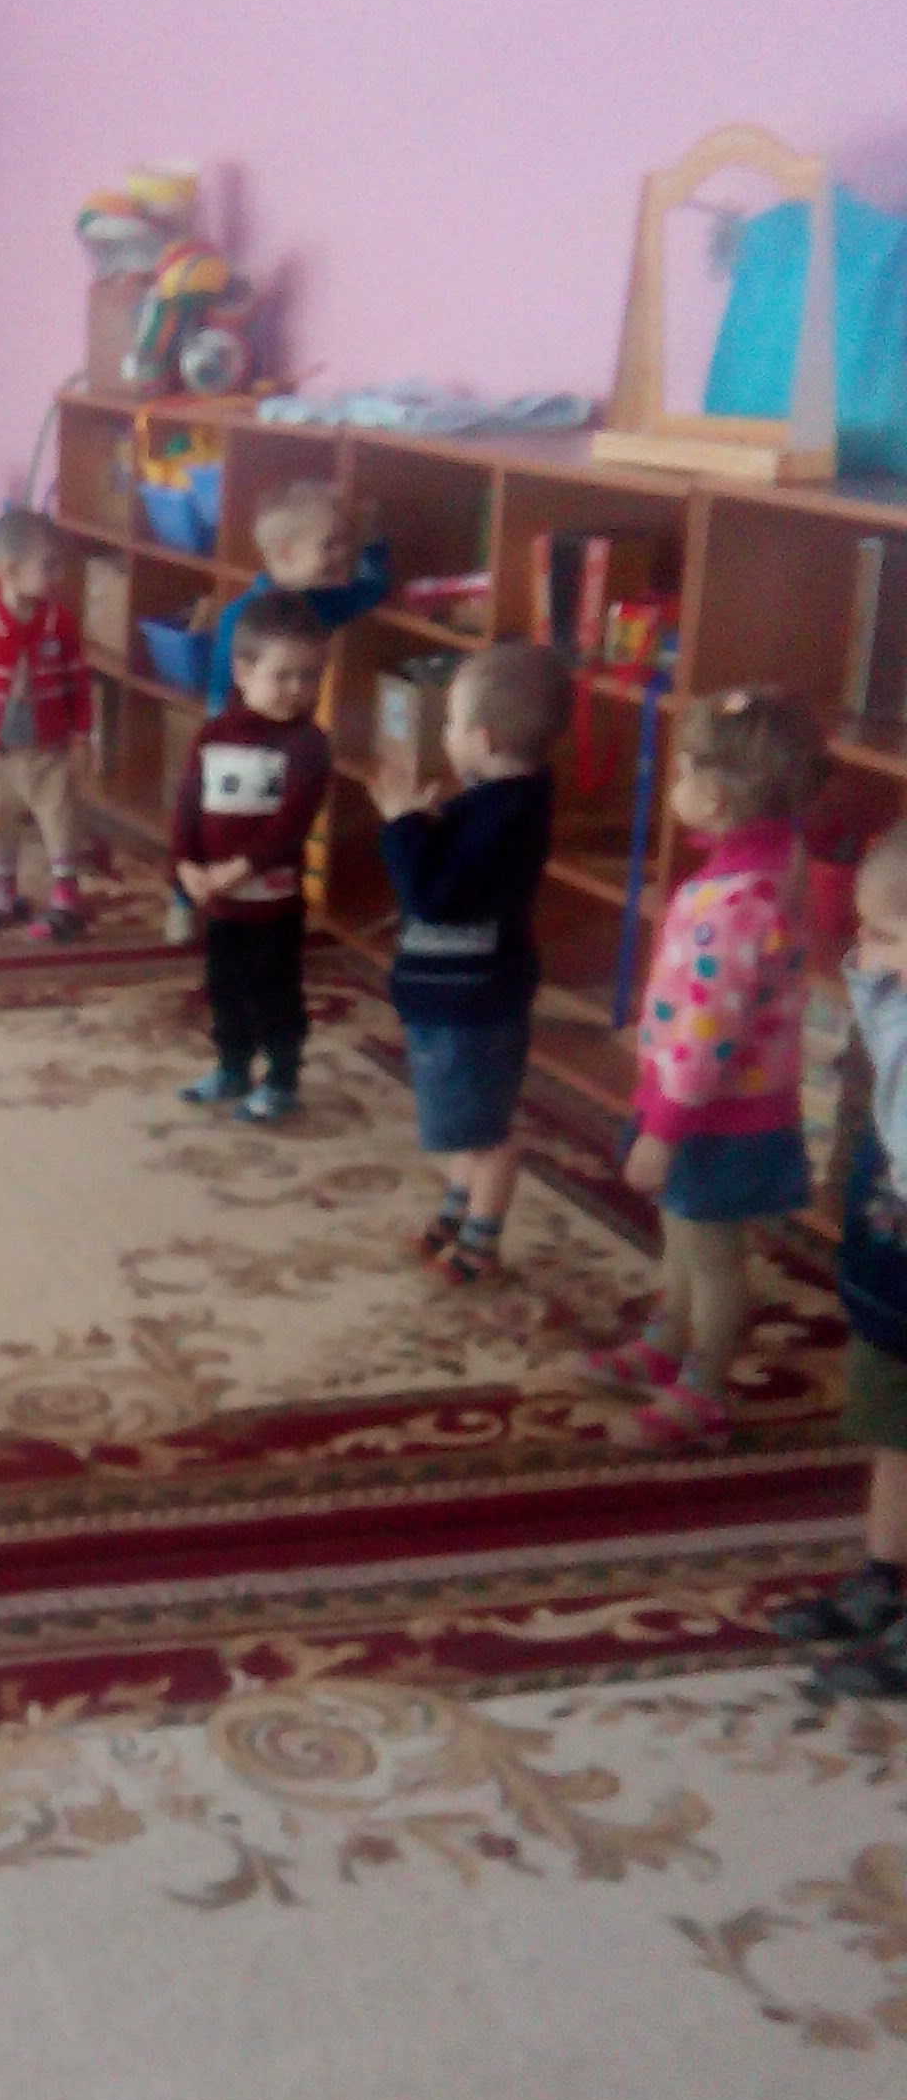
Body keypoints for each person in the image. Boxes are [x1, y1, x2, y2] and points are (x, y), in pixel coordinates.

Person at [580, 686, 826, 1454]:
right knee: (684, 1235)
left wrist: (662, 1128)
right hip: (702, 1104)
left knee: (713, 1256)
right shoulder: (762, 863)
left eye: (682, 769)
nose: (674, 781)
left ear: (713, 797)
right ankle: (666, 1340)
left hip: (715, 1118)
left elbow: (708, 1035)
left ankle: (703, 1390)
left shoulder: (737, 903)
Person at [374, 640, 571, 1282]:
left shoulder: (504, 815)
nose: (447, 736)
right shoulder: (501, 802)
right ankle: (456, 1214)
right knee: (464, 1120)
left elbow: (433, 898)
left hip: (475, 1006)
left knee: (485, 1133)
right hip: (462, 998)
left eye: (452, 723)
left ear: (481, 740)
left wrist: (403, 826)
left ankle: (481, 1245)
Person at [775, 825, 907, 1688]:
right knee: (892, 1427)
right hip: (892, 1257)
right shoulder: (890, 998)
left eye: (884, 935)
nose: (866, 956)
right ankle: (883, 1578)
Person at [170, 592, 333, 1120]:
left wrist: (236, 870)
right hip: (221, 901)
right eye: (283, 676)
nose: (298, 689)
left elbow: (289, 828)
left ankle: (282, 1079)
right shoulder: (212, 735)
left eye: (310, 676)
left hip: (273, 904)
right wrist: (185, 866)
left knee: (274, 992)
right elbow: (187, 808)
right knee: (224, 988)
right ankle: (232, 1067)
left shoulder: (308, 744)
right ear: (243, 672)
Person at [0, 505, 92, 941]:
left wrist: (82, 735)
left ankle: (66, 900)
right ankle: (2, 896)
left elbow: (78, 682)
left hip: (48, 752)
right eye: (48, 566)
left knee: (60, 820)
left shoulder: (60, 622)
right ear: (10, 570)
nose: (58, 575)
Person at [204, 479, 390, 710]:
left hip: (297, 719)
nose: (343, 552)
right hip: (249, 726)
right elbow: (219, 699)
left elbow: (369, 590)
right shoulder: (239, 617)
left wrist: (370, 540)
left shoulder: (321, 601)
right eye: (329, 545)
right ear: (286, 554)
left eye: (344, 541)